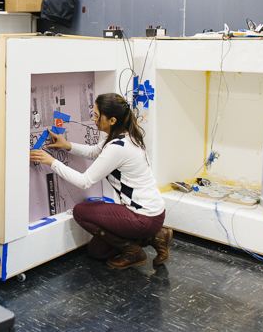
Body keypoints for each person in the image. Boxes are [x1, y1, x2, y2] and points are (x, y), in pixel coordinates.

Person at [29, 93, 172, 269]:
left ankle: (134, 251)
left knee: (80, 212)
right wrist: (67, 145)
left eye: (97, 115)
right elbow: (95, 152)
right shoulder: (121, 135)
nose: (93, 118)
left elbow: (84, 181)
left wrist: (51, 161)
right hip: (153, 214)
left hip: (143, 217)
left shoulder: (118, 148)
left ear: (112, 120)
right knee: (98, 252)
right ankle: (156, 236)